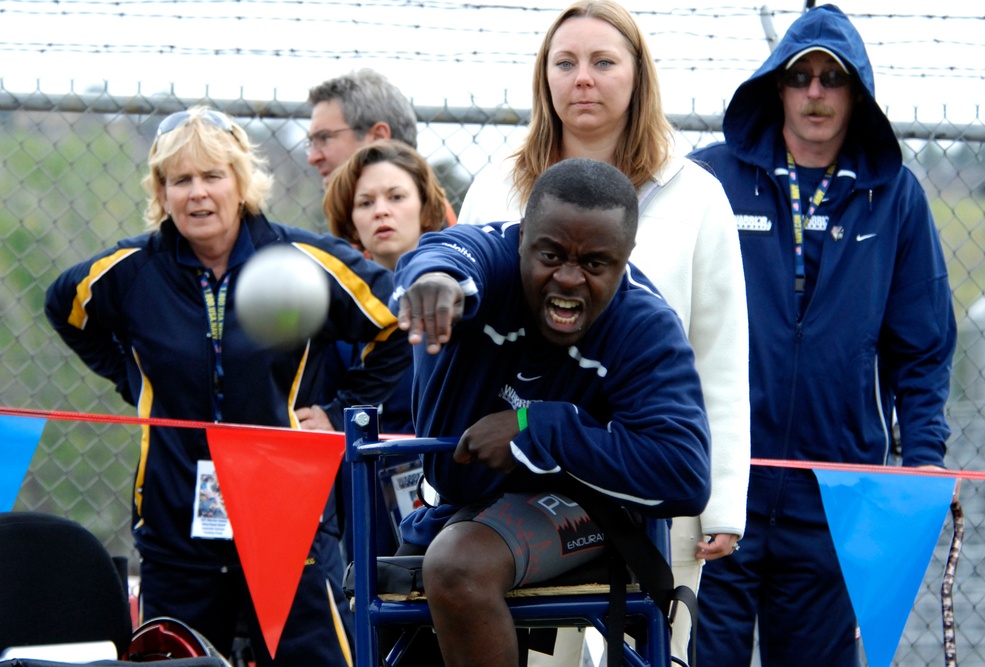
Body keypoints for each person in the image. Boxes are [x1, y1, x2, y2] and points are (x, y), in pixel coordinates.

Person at [45, 106, 410, 667]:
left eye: (213, 175)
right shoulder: (130, 271)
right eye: (180, 180)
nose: (198, 194)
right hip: (174, 516)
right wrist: (134, 381)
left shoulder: (301, 260)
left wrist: (340, 412)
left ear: (242, 182)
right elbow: (64, 309)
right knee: (177, 659)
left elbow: (396, 324)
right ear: (161, 192)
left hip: (285, 512)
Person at [457, 0, 751, 660]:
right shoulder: (497, 185)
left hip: (645, 475)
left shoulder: (697, 194)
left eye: (603, 61)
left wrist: (723, 502)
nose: (582, 77)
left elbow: (721, 357)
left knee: (650, 651)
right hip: (522, 477)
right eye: (565, 62)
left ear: (638, 75)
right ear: (544, 78)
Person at [687, 6, 957, 665]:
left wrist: (922, 458)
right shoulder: (709, 181)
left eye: (831, 79)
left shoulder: (895, 198)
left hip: (836, 494)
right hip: (716, 485)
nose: (814, 92)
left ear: (856, 92)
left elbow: (920, 347)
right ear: (775, 85)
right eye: (799, 76)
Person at [393, 157, 712, 667]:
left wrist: (534, 428)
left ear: (626, 258)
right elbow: (449, 251)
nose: (568, 278)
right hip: (455, 501)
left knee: (458, 567)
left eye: (594, 264)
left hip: (574, 501)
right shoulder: (490, 262)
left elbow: (684, 472)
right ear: (522, 237)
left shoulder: (644, 325)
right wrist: (434, 279)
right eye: (550, 254)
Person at [323, 139, 449, 554]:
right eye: (366, 202)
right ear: (349, 220)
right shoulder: (330, 310)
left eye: (396, 197)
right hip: (357, 508)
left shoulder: (463, 297)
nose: (381, 210)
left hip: (446, 498)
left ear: (425, 208)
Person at [306, 68, 458, 225]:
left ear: (379, 138)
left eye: (324, 138)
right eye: (366, 203)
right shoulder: (371, 232)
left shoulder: (424, 236)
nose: (313, 157)